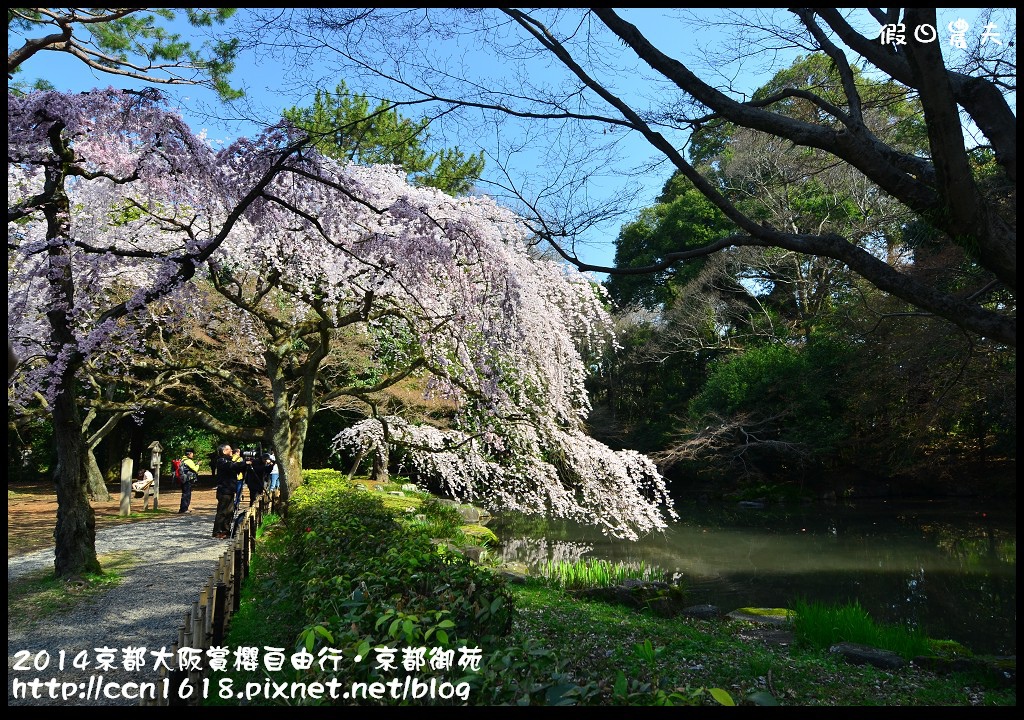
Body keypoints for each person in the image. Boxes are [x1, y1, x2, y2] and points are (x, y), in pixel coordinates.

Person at [212, 444, 246, 539]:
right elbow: (231, 466)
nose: (231, 451)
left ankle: (226, 530)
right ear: (224, 451)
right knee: (222, 511)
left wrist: (246, 464)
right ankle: (217, 531)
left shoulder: (229, 460)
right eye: (229, 449)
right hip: (224, 490)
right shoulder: (221, 461)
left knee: (230, 511)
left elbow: (238, 467)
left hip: (230, 490)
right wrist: (244, 463)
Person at [177, 448, 200, 514]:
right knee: (187, 494)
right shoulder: (189, 461)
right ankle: (184, 509)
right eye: (192, 454)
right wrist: (198, 464)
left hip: (182, 479)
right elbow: (195, 469)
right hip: (187, 479)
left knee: (184, 493)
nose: (193, 455)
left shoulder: (182, 460)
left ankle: (183, 509)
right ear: (189, 454)